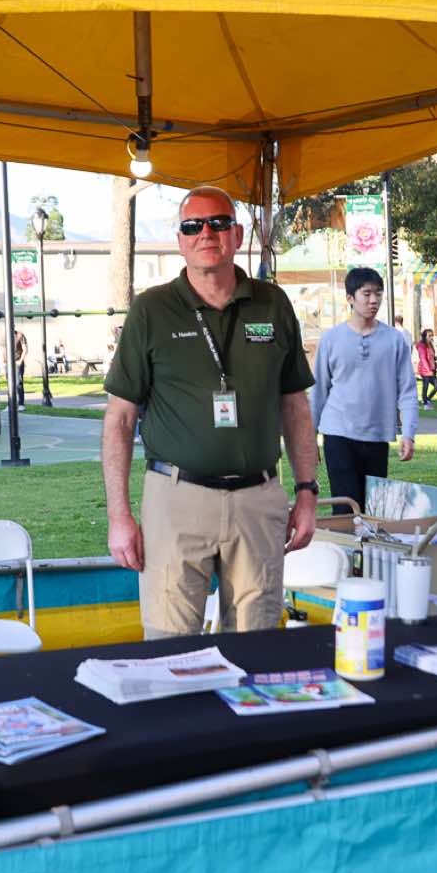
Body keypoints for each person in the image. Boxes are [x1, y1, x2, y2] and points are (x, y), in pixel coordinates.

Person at [102, 185, 318, 640]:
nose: (206, 233)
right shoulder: (152, 310)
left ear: (237, 235)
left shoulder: (272, 304)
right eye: (192, 226)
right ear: (180, 241)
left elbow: (295, 407)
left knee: (256, 642)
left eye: (218, 223)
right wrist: (119, 516)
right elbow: (119, 419)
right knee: (170, 645)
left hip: (258, 498)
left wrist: (306, 492)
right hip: (177, 498)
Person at [309, 268, 417, 515]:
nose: (373, 300)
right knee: (345, 508)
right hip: (337, 434)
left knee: (373, 511)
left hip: (377, 436)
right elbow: (319, 391)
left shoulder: (394, 340)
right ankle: (345, 542)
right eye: (366, 294)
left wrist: (409, 433)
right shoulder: (331, 339)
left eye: (378, 294)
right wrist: (310, 437)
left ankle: (368, 543)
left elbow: (407, 391)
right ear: (350, 297)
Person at [414, 329, 437, 404]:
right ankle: (425, 402)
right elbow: (423, 358)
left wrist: (435, 358)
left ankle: (427, 399)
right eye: (429, 336)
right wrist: (428, 370)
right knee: (425, 386)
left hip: (432, 368)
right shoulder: (421, 346)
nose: (431, 337)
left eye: (432, 335)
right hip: (425, 370)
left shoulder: (430, 344)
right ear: (425, 336)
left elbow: (430, 356)